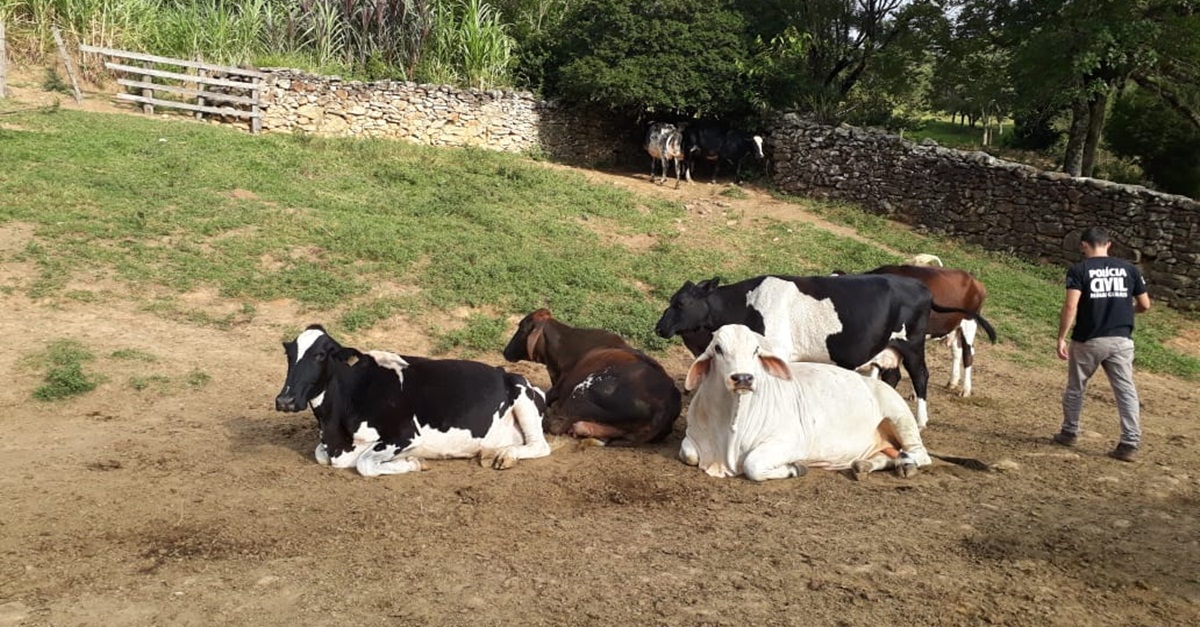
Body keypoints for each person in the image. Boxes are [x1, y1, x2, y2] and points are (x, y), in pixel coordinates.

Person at [1053, 226, 1151, 462]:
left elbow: (1070, 306)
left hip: (1088, 339)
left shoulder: (1079, 270)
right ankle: (1129, 443)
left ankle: (1070, 431)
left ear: (1084, 245)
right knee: (1126, 391)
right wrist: (1128, 310)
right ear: (1109, 245)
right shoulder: (1130, 269)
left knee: (1077, 387)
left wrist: (1061, 337)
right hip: (1122, 340)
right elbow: (1145, 305)